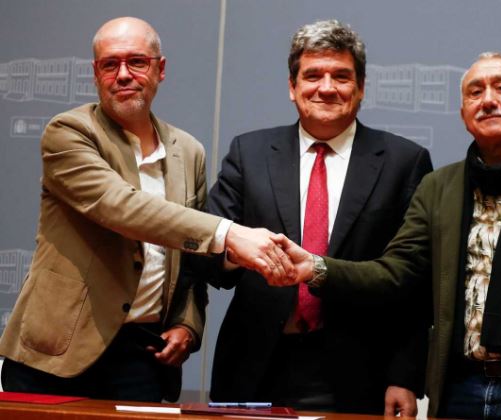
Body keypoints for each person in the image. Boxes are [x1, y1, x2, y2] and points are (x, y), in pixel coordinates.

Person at [269, 52, 501, 419]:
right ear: (463, 115)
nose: (488, 99)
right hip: (460, 391)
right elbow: (395, 273)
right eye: (475, 92)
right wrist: (315, 267)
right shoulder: (439, 187)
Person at [0, 16, 291, 402]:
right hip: (58, 350)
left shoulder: (189, 151)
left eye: (136, 62)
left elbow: (190, 256)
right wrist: (229, 232)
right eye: (110, 64)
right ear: (96, 73)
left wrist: (188, 323)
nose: (123, 75)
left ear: (160, 69)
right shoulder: (68, 132)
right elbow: (121, 207)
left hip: (144, 354)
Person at [195, 19, 433, 416]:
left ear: (360, 87)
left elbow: (414, 285)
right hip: (255, 363)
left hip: (361, 369)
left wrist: (405, 375)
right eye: (312, 75)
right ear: (292, 87)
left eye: (341, 76)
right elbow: (208, 258)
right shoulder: (250, 153)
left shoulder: (404, 162)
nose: (326, 87)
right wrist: (241, 250)